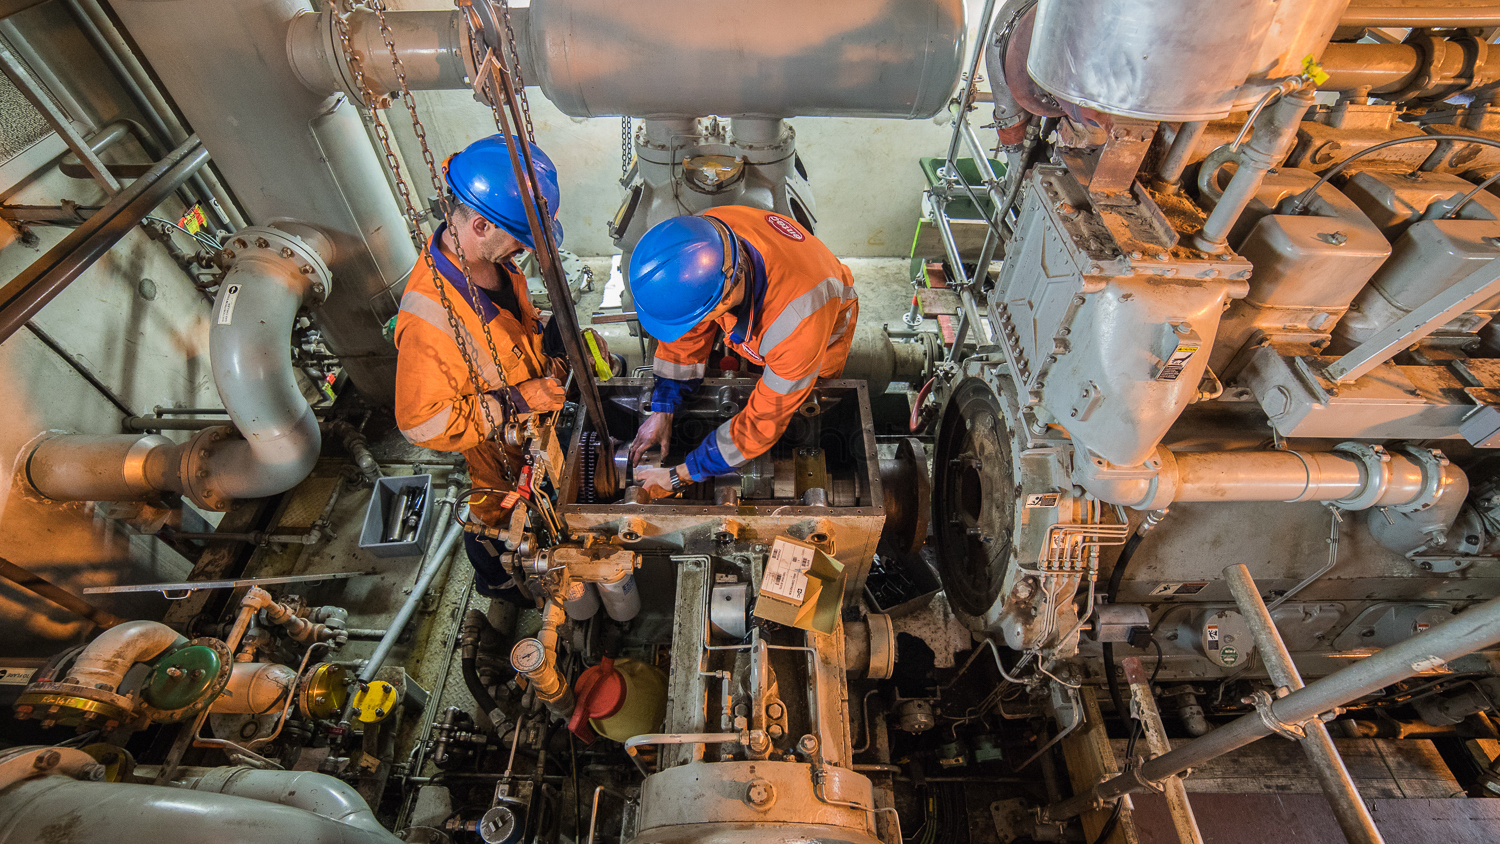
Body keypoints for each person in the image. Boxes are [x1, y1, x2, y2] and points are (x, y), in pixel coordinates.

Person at [394, 134, 570, 605]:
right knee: (497, 520)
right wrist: (517, 400)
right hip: (496, 443)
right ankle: (501, 590)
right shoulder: (430, 318)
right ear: (479, 225)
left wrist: (550, 349)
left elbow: (508, 335)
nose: (525, 250)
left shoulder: (495, 264)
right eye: (520, 237)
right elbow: (419, 423)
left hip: (534, 406)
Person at [627, 207, 858, 496]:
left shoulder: (798, 320)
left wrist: (681, 475)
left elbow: (764, 421)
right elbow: (684, 336)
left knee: (803, 402)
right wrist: (663, 409)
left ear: (724, 300)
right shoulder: (700, 242)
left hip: (820, 337)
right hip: (770, 310)